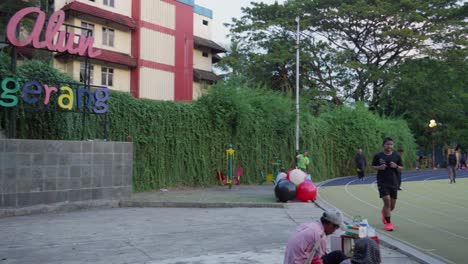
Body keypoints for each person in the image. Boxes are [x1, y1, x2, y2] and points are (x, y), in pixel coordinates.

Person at [371, 137, 403, 232]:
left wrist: (396, 166)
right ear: (383, 145)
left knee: (392, 206)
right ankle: (388, 223)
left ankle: (384, 213)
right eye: (387, 144)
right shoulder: (378, 156)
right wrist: (379, 167)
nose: (389, 146)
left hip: (393, 182)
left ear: (393, 146)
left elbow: (402, 168)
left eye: (391, 144)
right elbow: (372, 166)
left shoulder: (396, 156)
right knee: (387, 201)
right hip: (382, 182)